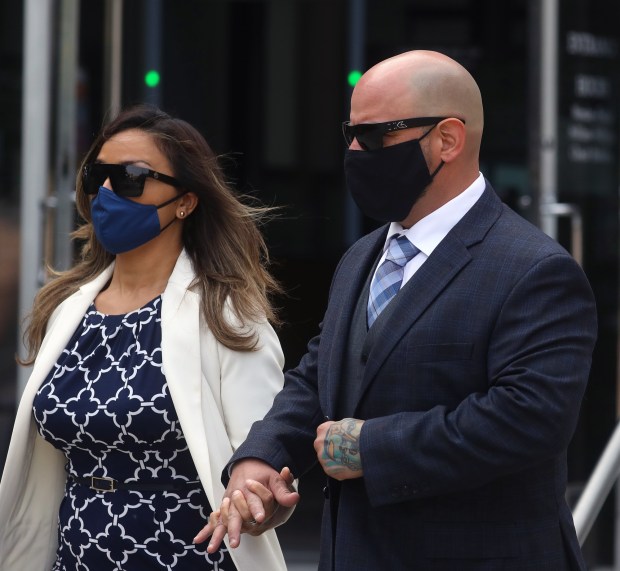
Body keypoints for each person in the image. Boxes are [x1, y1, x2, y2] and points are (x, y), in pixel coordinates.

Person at [196, 50, 598, 570]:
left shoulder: (536, 269)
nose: (357, 151)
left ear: (448, 140)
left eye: (378, 136)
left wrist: (370, 447)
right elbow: (321, 374)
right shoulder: (362, 257)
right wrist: (262, 457)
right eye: (351, 134)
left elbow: (530, 418)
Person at [0, 104, 290, 570]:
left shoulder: (226, 314)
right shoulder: (67, 308)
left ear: (186, 200)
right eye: (100, 175)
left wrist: (263, 505)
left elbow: (267, 454)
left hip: (186, 557)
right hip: (76, 554)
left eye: (133, 176)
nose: (110, 191)